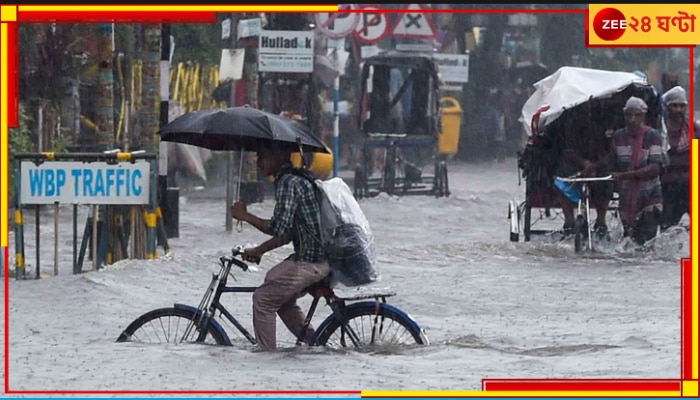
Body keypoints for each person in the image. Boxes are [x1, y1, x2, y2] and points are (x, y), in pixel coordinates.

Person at [231, 143, 330, 351]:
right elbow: (288, 234)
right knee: (278, 293)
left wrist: (245, 216)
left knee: (263, 299)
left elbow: (277, 227)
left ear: (278, 155)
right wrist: (259, 250)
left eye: (262, 155)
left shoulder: (288, 182)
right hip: (318, 258)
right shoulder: (297, 178)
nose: (258, 162)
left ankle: (267, 357)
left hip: (312, 261)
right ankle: (317, 345)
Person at [610, 96, 665, 245]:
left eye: (637, 115)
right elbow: (613, 164)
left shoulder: (652, 136)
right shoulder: (618, 137)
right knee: (630, 244)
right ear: (624, 116)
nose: (632, 119)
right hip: (627, 200)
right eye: (629, 115)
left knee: (646, 245)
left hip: (650, 199)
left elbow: (654, 169)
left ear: (643, 116)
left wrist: (625, 175)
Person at [555, 107, 615, 238]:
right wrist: (584, 163)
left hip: (599, 164)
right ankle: (569, 219)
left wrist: (594, 166)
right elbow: (567, 150)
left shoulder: (607, 123)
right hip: (575, 163)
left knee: (607, 179)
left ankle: (601, 219)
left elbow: (611, 152)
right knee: (562, 178)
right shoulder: (571, 122)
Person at [659, 86, 691, 230]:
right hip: (668, 188)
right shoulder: (659, 131)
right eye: (674, 106)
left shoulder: (694, 130)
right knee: (667, 228)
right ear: (666, 107)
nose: (678, 110)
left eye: (682, 106)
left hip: (691, 186)